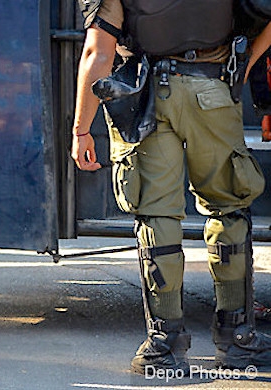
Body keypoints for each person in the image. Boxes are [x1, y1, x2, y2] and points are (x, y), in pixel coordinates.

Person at [72, 0, 271, 374]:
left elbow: (98, 51)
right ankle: (237, 340)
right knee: (228, 210)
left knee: (156, 214)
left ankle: (164, 346)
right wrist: (243, 67)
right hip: (213, 89)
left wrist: (81, 129)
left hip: (145, 98)